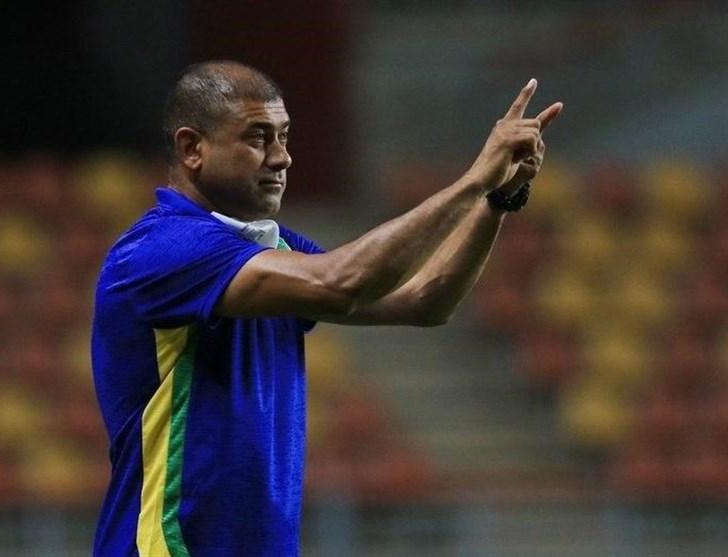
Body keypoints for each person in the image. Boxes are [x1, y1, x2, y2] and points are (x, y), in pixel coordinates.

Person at [91, 60, 562, 556]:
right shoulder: (160, 250)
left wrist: (496, 201)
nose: (282, 157)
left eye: (284, 137)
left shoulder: (270, 250)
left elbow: (425, 301)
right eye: (258, 138)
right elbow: (342, 282)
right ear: (192, 148)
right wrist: (472, 182)